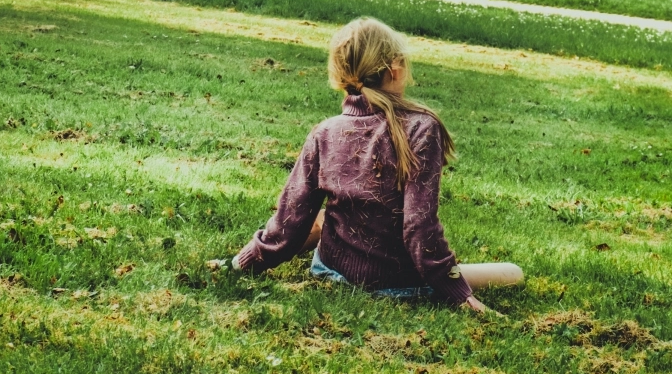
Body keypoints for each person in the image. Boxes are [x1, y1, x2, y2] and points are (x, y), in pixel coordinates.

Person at [223, 16, 523, 312]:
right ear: (395, 68)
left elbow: (290, 221)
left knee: (325, 217)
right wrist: (457, 290)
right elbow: (418, 226)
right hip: (396, 281)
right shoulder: (420, 127)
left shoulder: (325, 132)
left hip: (331, 272)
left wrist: (239, 263)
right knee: (512, 272)